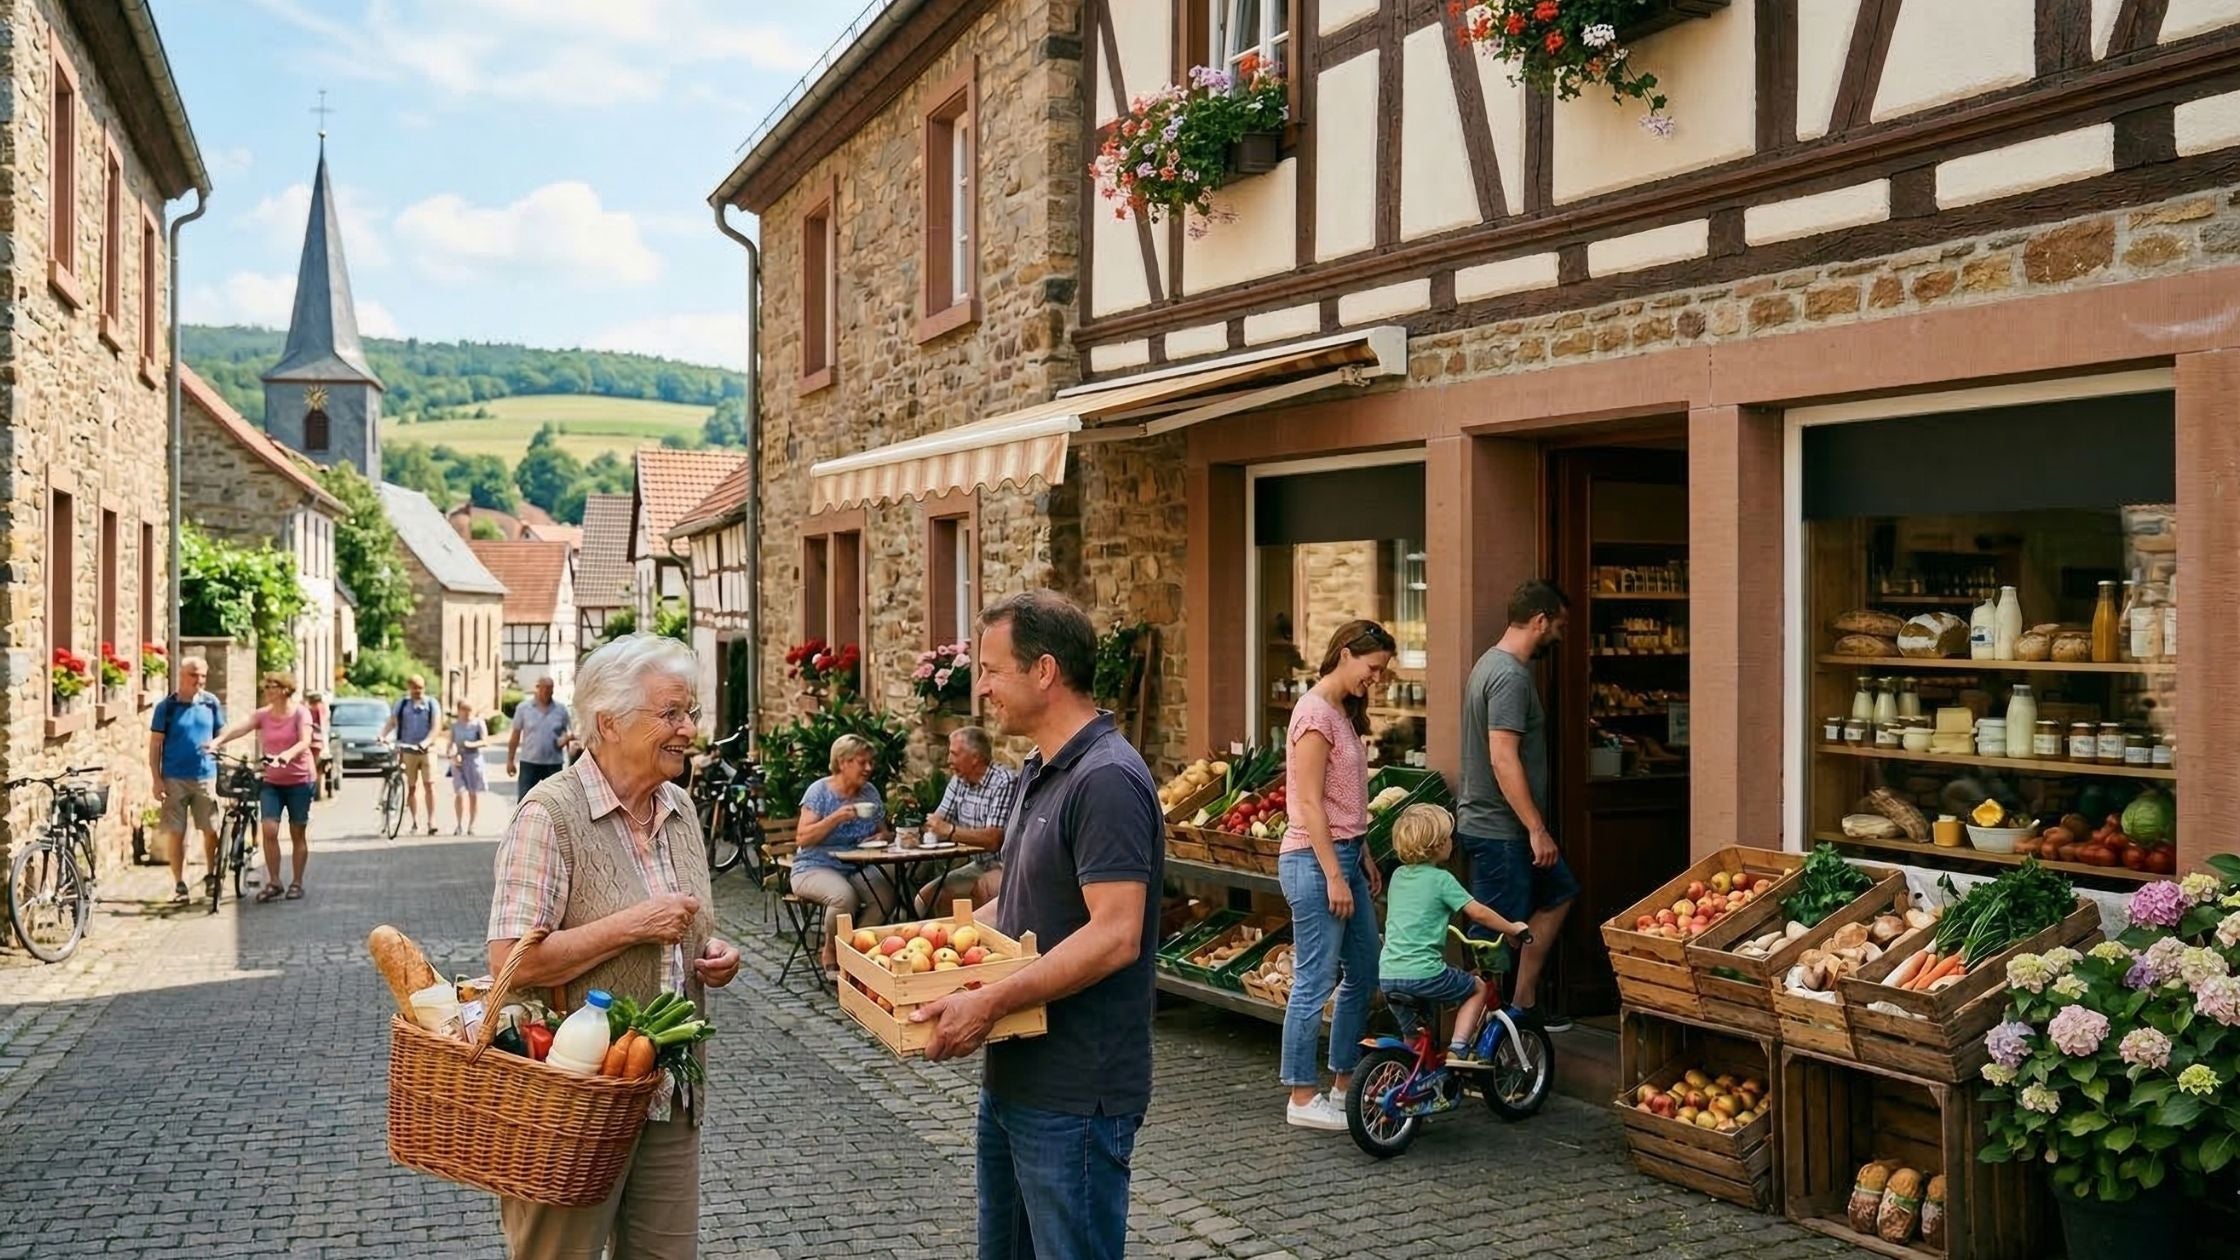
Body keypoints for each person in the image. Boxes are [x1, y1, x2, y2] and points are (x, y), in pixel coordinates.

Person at [912, 591, 1163, 1260]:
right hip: (1015, 1078)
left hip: (1076, 1094)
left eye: (993, 670)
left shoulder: (1107, 780)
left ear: (1044, 671)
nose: (983, 687)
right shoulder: (1038, 771)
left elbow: (1115, 935)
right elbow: (1021, 906)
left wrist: (987, 1000)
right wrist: (920, 951)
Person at [487, 633, 740, 1259]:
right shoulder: (549, 816)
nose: (688, 730)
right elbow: (508, 962)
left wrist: (709, 952)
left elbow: (677, 928)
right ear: (608, 722)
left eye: (691, 713)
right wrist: (633, 925)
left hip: (667, 1091)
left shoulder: (679, 807)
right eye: (671, 714)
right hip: (575, 1100)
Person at [1276, 619, 1395, 1131]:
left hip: (1344, 855)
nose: (1376, 679)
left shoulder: (1341, 713)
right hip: (1312, 861)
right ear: (1345, 653)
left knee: (1364, 970)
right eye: (1373, 668)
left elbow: (1341, 799)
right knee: (1314, 981)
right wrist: (1334, 875)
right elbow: (1307, 802)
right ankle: (1302, 1097)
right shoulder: (1313, 715)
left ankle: (1345, 1084)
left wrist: (1362, 853)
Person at [1457, 579, 1578, 1032]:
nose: (1561, 637)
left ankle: (1521, 1006)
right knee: (1490, 937)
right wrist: (1535, 828)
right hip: (1501, 831)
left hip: (1495, 827)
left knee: (1559, 893)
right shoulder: (1508, 676)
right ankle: (1475, 1036)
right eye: (1559, 626)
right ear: (1540, 620)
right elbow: (1502, 757)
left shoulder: (1489, 665)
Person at [1379, 804, 1532, 1064]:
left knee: (1414, 1039)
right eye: (1449, 837)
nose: (1453, 842)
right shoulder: (1443, 880)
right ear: (1438, 845)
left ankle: (1411, 1080)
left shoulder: (1397, 876)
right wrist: (1511, 927)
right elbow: (1479, 913)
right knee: (1477, 988)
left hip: (1388, 974)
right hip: (1423, 974)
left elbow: (1415, 914)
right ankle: (1458, 1048)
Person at [208, 672, 318, 903]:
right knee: (269, 829)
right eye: (266, 686)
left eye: (272, 686)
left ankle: (296, 882)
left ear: (285, 689)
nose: (267, 690)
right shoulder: (263, 715)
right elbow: (241, 728)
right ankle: (275, 881)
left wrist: (286, 755)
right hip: (272, 781)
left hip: (300, 779)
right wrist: (217, 742)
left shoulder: (300, 712)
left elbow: (305, 740)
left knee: (298, 832)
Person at [790, 734, 895, 967]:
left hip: (857, 866)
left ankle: (855, 950)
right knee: (843, 897)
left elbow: (885, 833)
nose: (869, 768)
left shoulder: (869, 793)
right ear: (842, 762)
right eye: (862, 762)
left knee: (885, 897)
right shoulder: (820, 792)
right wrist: (835, 818)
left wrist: (883, 837)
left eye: (870, 762)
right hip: (814, 866)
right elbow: (803, 838)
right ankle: (831, 950)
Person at [912, 725, 1018, 914]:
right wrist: (917, 828)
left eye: (954, 754)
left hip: (1006, 865)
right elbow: (936, 821)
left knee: (984, 888)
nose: (948, 760)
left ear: (975, 757)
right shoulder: (958, 780)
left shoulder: (1004, 781)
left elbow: (993, 839)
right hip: (980, 863)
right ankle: (945, 941)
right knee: (924, 899)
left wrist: (950, 831)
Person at [146, 656, 224, 905]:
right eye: (194, 675)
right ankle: (180, 884)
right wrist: (156, 779)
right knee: (176, 833)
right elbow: (155, 745)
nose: (199, 680)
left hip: (205, 776)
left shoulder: (211, 703)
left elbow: (220, 735)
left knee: (211, 829)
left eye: (202, 675)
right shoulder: (166, 707)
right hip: (174, 778)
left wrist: (218, 748)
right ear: (181, 675)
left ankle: (211, 875)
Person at [381, 675, 443, 836]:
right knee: (412, 787)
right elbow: (392, 722)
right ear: (409, 688)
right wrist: (383, 735)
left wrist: (426, 742)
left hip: (426, 750)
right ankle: (415, 822)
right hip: (408, 749)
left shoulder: (431, 704)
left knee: (429, 785)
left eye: (421, 688)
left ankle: (432, 821)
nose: (418, 691)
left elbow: (436, 727)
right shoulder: (402, 704)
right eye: (415, 688)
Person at [506, 677, 573, 799]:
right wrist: (510, 760)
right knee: (525, 800)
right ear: (537, 688)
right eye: (544, 688)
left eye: (550, 688)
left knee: (555, 801)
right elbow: (515, 735)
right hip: (530, 763)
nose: (547, 691)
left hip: (553, 764)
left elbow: (568, 735)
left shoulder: (561, 710)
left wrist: (571, 762)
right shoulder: (524, 708)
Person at [449, 699, 490, 835]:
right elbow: (450, 744)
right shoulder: (455, 726)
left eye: (469, 710)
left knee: (473, 793)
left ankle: (471, 825)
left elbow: (485, 741)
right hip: (459, 761)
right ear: (459, 710)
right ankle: (459, 824)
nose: (467, 713)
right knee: (459, 793)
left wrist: (470, 745)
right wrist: (453, 754)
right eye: (464, 709)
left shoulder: (478, 723)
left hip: (474, 760)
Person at [304, 690, 333, 800]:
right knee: (316, 768)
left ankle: (310, 790)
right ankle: (314, 791)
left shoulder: (307, 710)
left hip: (307, 741)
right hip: (317, 741)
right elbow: (323, 726)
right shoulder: (321, 708)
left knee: (309, 767)